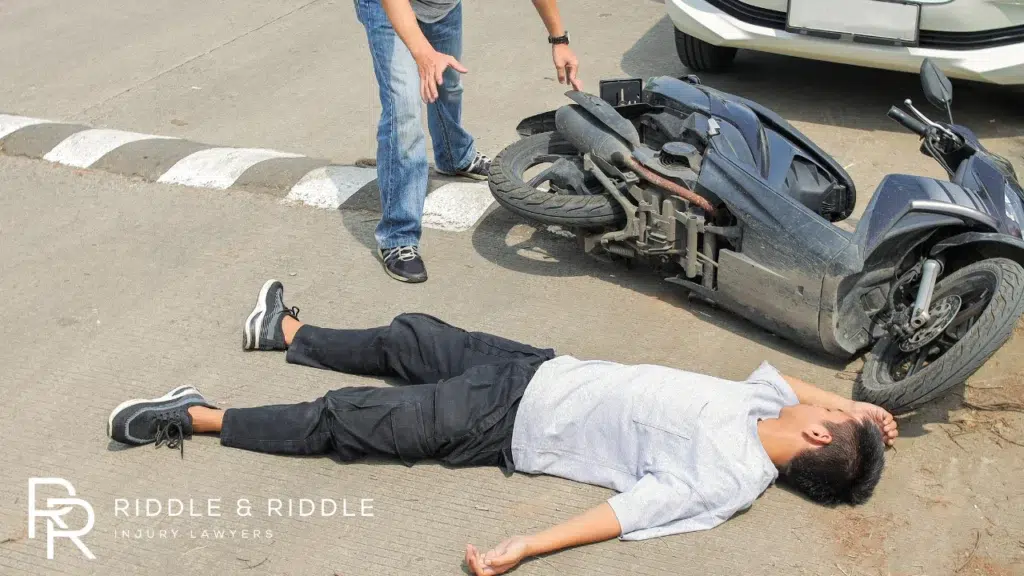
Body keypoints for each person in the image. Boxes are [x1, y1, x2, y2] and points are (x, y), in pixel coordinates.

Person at [108, 280, 898, 576]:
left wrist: (527, 545)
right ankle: (285, 335)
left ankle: (196, 415)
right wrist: (859, 410)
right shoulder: (763, 410)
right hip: (537, 366)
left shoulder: (727, 481)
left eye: (829, 414)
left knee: (346, 422)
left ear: (818, 440)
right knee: (407, 335)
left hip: (497, 423)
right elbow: (787, 386)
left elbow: (624, 515)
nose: (821, 403)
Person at [356, 0, 583, 283]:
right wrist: (423, 53)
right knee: (403, 111)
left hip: (442, 7)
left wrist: (559, 39)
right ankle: (397, 235)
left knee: (448, 85)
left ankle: (455, 156)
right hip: (388, 8)